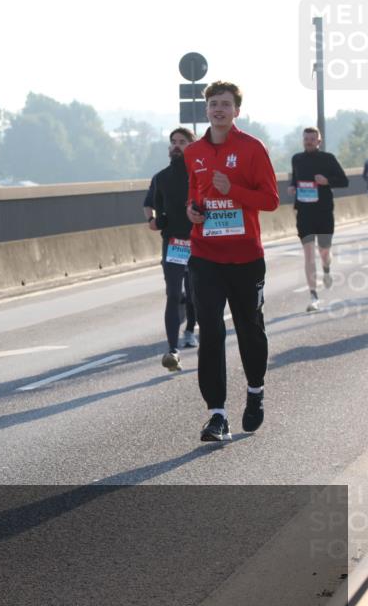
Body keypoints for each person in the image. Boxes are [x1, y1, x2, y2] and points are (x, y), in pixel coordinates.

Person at [184, 81, 279, 442]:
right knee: (210, 330)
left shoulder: (252, 148)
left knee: (249, 329)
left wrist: (233, 191)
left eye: (225, 104)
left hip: (245, 258)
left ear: (236, 111)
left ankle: (255, 391)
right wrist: (192, 212)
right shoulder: (193, 152)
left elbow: (270, 200)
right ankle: (217, 414)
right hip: (205, 255)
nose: (219, 110)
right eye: (213, 105)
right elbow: (195, 197)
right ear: (206, 110)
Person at [143, 128, 197, 372]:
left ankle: (189, 331)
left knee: (195, 293)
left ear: (191, 146)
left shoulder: (199, 175)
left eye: (182, 142)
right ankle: (173, 350)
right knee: (173, 294)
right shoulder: (161, 177)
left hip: (199, 242)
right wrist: (153, 220)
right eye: (173, 142)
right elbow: (148, 206)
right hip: (174, 243)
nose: (176, 146)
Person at [289, 127, 350, 311]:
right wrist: (292, 187)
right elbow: (295, 179)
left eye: (312, 139)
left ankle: (326, 268)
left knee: (324, 252)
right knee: (308, 255)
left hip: (323, 212)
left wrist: (327, 181)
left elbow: (344, 181)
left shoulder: (328, 159)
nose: (308, 141)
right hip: (304, 212)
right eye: (306, 138)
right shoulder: (297, 159)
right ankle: (313, 295)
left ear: (319, 141)